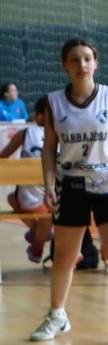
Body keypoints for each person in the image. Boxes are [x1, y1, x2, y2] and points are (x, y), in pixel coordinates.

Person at [29, 38, 108, 345]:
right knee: (64, 256)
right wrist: (48, 184)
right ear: (65, 65)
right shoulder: (54, 102)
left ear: (96, 63)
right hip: (71, 186)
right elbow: (49, 148)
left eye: (87, 58)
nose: (81, 64)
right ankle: (57, 315)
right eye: (74, 59)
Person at [2, 96, 52, 263]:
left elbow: (3, 157)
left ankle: (38, 241)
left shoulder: (26, 133)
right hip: (56, 200)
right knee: (49, 212)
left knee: (13, 198)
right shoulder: (63, 135)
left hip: (30, 200)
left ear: (38, 116)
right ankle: (41, 236)